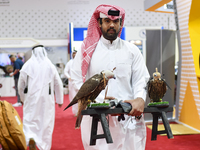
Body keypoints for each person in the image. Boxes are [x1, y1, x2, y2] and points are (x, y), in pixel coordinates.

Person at [71, 4, 150, 150]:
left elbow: (141, 78)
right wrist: (98, 102)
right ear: (99, 23)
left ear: (121, 23)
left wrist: (140, 98)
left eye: (116, 21)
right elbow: (76, 79)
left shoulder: (132, 50)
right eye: (107, 21)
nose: (112, 24)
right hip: (97, 118)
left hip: (128, 117)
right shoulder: (87, 50)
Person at [18, 45, 64, 150]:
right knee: (46, 121)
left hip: (31, 98)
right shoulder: (50, 66)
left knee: (30, 119)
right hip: (47, 99)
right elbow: (58, 83)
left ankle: (31, 138)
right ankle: (44, 145)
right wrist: (60, 99)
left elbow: (21, 84)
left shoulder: (27, 65)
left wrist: (22, 98)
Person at [64, 50, 78, 115]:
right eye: (74, 54)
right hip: (72, 83)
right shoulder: (69, 63)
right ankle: (75, 112)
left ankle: (80, 111)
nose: (74, 55)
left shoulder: (80, 62)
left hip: (79, 82)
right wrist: (69, 77)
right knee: (73, 97)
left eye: (76, 54)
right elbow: (65, 71)